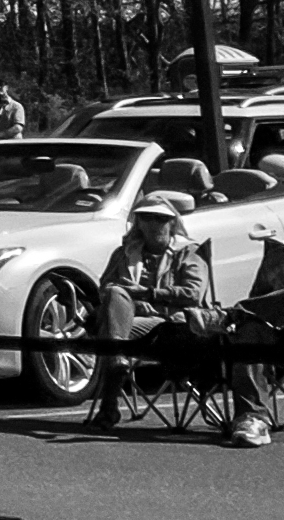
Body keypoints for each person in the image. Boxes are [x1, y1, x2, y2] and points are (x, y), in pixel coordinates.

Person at [92, 191, 275, 446]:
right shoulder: (123, 254)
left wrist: (149, 294)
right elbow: (106, 291)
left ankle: (109, 402)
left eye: (160, 218)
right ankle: (116, 362)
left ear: (172, 222)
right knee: (114, 299)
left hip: (175, 323)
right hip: (134, 321)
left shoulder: (188, 252)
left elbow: (192, 294)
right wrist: (134, 303)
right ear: (138, 222)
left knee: (112, 331)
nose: (154, 224)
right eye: (146, 218)